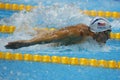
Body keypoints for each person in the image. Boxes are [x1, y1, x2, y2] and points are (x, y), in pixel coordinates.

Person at [5, 17, 111, 49]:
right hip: (48, 41)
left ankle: (28, 29)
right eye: (107, 33)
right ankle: (25, 29)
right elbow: (52, 37)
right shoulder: (77, 34)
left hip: (56, 36)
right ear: (98, 32)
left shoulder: (90, 34)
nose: (109, 37)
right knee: (47, 34)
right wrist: (26, 43)